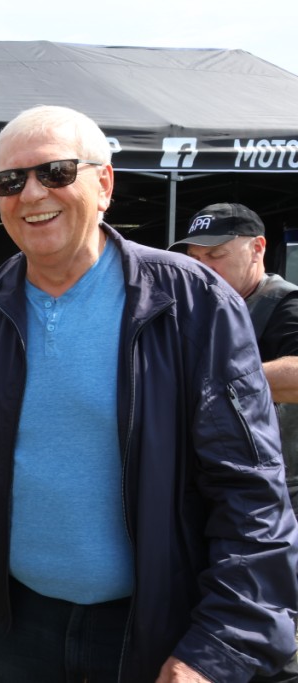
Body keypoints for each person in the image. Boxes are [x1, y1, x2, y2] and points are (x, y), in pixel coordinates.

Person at [0, 106, 298, 682]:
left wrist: (218, 646)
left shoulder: (194, 302)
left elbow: (250, 490)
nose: (32, 193)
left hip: (156, 625)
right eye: (10, 180)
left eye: (55, 172)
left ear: (104, 184)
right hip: (15, 626)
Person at [172, 202, 298, 683]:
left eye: (216, 255)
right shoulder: (195, 308)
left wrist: (221, 379)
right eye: (195, 258)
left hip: (276, 495)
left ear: (258, 248)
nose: (204, 268)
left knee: (264, 619)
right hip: (210, 487)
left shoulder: (283, 303)